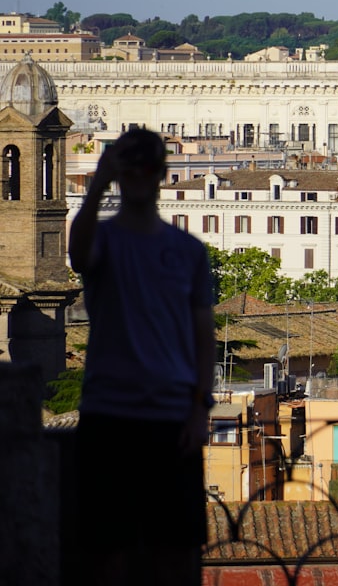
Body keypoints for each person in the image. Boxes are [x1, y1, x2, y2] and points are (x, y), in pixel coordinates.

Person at [69, 128, 216, 586]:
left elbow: (203, 337)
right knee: (107, 552)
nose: (136, 177)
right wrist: (96, 184)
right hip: (111, 412)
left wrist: (199, 409)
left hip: (167, 416)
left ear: (159, 176)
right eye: (128, 168)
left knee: (171, 554)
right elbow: (77, 253)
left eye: (144, 167)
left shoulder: (188, 252)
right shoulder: (106, 242)